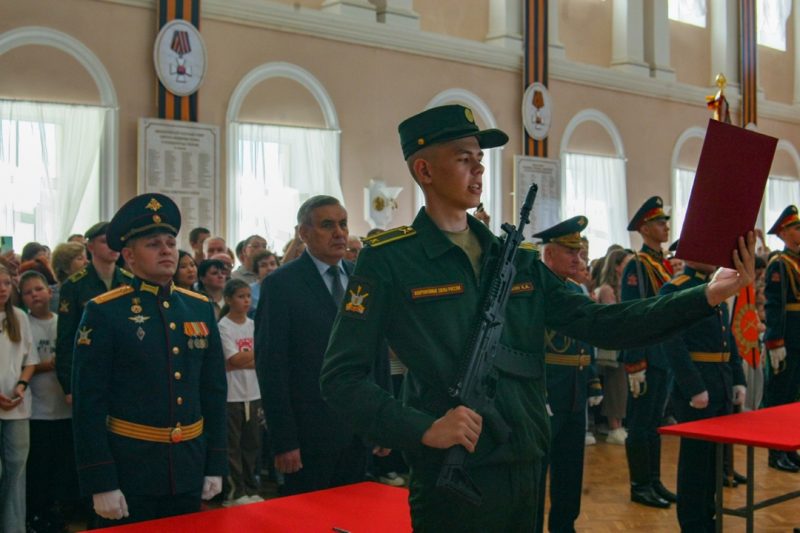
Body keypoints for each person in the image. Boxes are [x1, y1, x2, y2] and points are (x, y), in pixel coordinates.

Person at [319, 104, 755, 531]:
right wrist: (421, 428)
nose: (479, 169)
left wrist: (706, 295)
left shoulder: (517, 262)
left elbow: (604, 322)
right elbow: (341, 377)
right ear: (424, 170)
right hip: (453, 473)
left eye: (480, 158)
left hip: (526, 460)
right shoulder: (391, 260)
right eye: (463, 158)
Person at [71, 193, 227, 525]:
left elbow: (213, 391)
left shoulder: (198, 307)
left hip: (188, 464)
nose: (167, 250)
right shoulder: (104, 311)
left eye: (170, 243)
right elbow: (89, 404)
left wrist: (215, 462)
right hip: (131, 468)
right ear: (129, 256)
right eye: (153, 244)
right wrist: (101, 481)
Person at [255, 195, 378, 496]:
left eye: (343, 224)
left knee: (356, 514)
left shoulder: (361, 278)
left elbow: (376, 353)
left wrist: (381, 422)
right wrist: (284, 440)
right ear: (304, 233)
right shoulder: (281, 284)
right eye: (327, 225)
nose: (339, 233)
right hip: (308, 435)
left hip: (358, 429)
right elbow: (272, 367)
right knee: (309, 516)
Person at [660, 253, 747, 531]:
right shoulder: (676, 288)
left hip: (720, 381)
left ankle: (708, 516)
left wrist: (738, 378)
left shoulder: (714, 284)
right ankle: (692, 522)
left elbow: (727, 336)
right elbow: (672, 342)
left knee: (714, 461)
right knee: (695, 461)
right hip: (697, 386)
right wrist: (694, 386)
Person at [533, 216, 603, 533]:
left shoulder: (576, 289)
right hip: (547, 394)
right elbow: (529, 345)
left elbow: (586, 338)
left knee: (571, 468)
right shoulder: (533, 290)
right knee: (537, 471)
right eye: (570, 252)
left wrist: (593, 380)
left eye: (580, 252)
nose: (578, 258)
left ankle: (564, 526)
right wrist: (540, 391)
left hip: (575, 392)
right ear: (549, 254)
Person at [621, 196, 676, 508]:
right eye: (658, 222)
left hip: (663, 354)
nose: (665, 226)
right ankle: (639, 485)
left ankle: (654, 480)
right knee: (640, 424)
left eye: (665, 221)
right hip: (646, 356)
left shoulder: (663, 265)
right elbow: (633, 315)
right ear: (644, 228)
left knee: (655, 423)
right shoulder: (638, 265)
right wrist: (635, 361)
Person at [19, 271, 76, 533]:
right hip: (38, 412)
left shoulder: (62, 322)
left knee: (62, 468)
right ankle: (37, 516)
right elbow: (21, 365)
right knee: (40, 469)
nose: (35, 295)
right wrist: (47, 365)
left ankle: (59, 514)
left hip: (64, 409)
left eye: (39, 289)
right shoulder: (24, 324)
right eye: (28, 292)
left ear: (50, 291)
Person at [55, 222, 133, 403]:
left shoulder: (130, 281)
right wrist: (68, 385)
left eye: (116, 241)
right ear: (90, 247)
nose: (113, 246)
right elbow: (66, 338)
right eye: (105, 241)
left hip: (124, 370)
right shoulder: (74, 285)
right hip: (90, 368)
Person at [218, 279, 263, 507]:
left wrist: (247, 359)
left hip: (253, 392)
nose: (246, 300)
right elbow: (233, 359)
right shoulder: (224, 326)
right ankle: (234, 492)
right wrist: (255, 355)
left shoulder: (253, 324)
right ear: (228, 299)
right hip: (232, 394)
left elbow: (262, 359)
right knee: (232, 446)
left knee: (251, 444)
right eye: (240, 296)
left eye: (248, 296)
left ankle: (250, 487)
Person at [0, 264, 38, 533]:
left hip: (16, 404)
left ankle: (13, 528)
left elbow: (30, 360)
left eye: (6, 283)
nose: (3, 289)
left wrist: (22, 386)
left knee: (16, 471)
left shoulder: (20, 317)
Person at [763, 205, 800, 472]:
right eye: (796, 228)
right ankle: (776, 452)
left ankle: (789, 447)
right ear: (783, 233)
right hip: (787, 340)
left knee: (794, 398)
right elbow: (774, 305)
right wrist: (776, 341)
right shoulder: (779, 263)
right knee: (780, 398)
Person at [594, 248, 635, 445]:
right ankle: (614, 426)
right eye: (626, 264)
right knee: (615, 385)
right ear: (617, 267)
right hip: (611, 345)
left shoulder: (621, 287)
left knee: (622, 385)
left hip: (622, 341)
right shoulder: (607, 289)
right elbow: (614, 316)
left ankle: (619, 423)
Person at [248, 250, 279, 317]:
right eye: (263, 265)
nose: (269, 268)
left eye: (272, 264)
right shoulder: (249, 290)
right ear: (256, 270)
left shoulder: (286, 288)